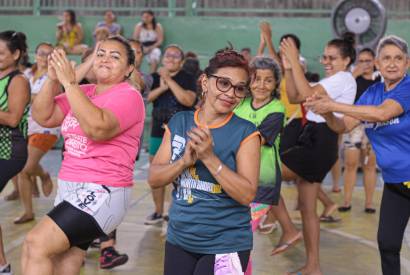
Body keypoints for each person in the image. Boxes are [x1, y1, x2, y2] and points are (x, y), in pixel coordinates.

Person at [22, 36, 145, 275]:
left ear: (130, 68)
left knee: (35, 243)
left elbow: (97, 129)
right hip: (70, 189)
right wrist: (53, 80)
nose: (105, 59)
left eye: (115, 56)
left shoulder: (129, 96)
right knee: (62, 264)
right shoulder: (85, 91)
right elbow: (43, 116)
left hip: (101, 191)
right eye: (101, 54)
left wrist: (69, 83)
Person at [149, 47, 260, 275]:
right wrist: (182, 163)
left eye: (240, 89)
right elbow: (154, 178)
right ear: (205, 82)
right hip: (179, 239)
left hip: (227, 244)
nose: (230, 94)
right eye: (223, 83)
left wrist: (210, 158)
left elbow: (247, 194)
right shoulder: (180, 121)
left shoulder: (246, 132)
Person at [305, 35, 410, 275]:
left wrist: (333, 105)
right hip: (396, 182)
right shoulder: (372, 92)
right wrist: (326, 111)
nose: (392, 64)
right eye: (386, 58)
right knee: (388, 244)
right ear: (377, 63)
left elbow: (382, 114)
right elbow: (342, 126)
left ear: (407, 63)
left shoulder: (408, 88)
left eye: (398, 58)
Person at [280, 35, 357, 275]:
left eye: (332, 58)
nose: (326, 61)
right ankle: (313, 266)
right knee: (307, 207)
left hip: (319, 142)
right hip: (313, 137)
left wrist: (294, 58)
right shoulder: (332, 79)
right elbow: (294, 97)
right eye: (324, 57)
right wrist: (289, 68)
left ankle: (288, 229)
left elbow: (306, 95)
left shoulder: (343, 78)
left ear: (346, 61)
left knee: (265, 175)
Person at [234, 56, 301, 274]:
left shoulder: (277, 109)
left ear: (275, 85)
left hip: (262, 183)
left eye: (268, 80)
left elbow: (257, 139)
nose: (261, 85)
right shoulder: (240, 104)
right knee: (235, 238)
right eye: (256, 79)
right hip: (236, 180)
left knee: (239, 237)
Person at [145, 44, 197, 225]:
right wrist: (162, 87)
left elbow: (188, 100)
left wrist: (169, 80)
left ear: (182, 62)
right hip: (158, 129)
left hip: (182, 131)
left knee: (181, 171)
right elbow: (146, 98)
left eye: (176, 56)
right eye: (168, 55)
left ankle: (175, 210)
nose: (171, 59)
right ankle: (158, 211)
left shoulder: (188, 78)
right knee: (156, 169)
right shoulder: (153, 77)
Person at [14, 42, 59, 225]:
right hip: (26, 126)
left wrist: (23, 96)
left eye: (49, 54)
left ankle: (41, 177)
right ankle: (29, 209)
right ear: (35, 55)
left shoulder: (54, 77)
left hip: (46, 128)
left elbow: (42, 99)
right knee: (21, 170)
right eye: (41, 53)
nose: (44, 57)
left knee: (25, 169)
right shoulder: (26, 74)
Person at [0, 30, 30, 275]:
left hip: (9, 150)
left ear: (16, 54)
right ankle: (2, 266)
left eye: (1, 53)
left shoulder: (17, 80)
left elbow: (12, 118)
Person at [338, 48, 381, 213]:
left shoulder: (381, 80)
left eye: (368, 61)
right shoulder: (352, 79)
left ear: (374, 62)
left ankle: (369, 203)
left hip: (374, 127)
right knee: (350, 164)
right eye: (361, 61)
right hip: (354, 125)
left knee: (370, 165)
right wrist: (354, 75)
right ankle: (346, 201)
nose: (365, 64)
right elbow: (341, 95)